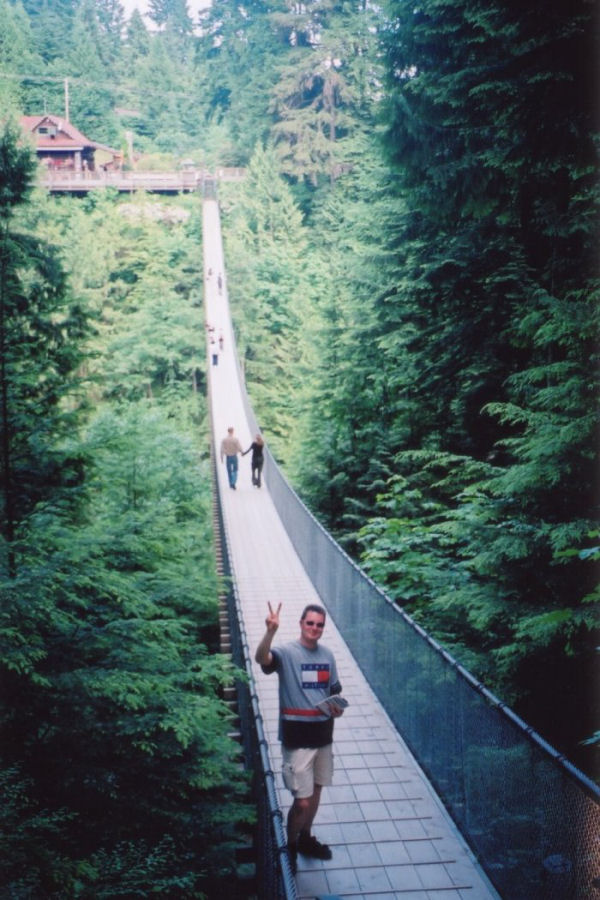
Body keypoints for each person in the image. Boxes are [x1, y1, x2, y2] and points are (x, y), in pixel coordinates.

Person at [255, 602, 344, 873]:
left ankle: (306, 837)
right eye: (310, 623)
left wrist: (337, 709)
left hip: (323, 735)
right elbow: (262, 659)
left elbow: (333, 692)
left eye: (319, 625)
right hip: (297, 739)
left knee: (316, 791)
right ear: (301, 624)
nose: (314, 628)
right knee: (302, 800)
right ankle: (290, 845)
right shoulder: (286, 652)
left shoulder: (328, 655)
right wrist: (270, 631)